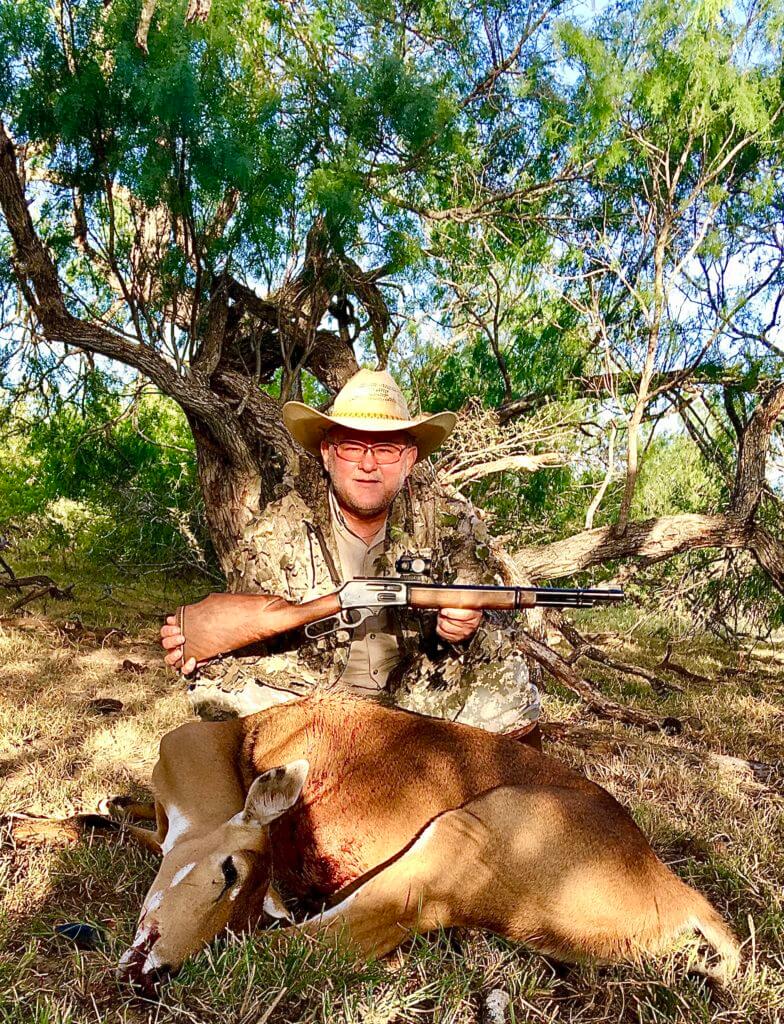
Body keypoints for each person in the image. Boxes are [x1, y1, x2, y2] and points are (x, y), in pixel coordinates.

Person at [160, 369, 541, 737]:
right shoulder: (275, 531)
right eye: (353, 446)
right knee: (215, 688)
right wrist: (194, 642)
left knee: (509, 679)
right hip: (311, 706)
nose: (369, 464)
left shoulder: (449, 521)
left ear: (409, 460)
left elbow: (498, 618)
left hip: (419, 701)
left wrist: (467, 629)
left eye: (386, 449)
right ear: (327, 454)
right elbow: (246, 633)